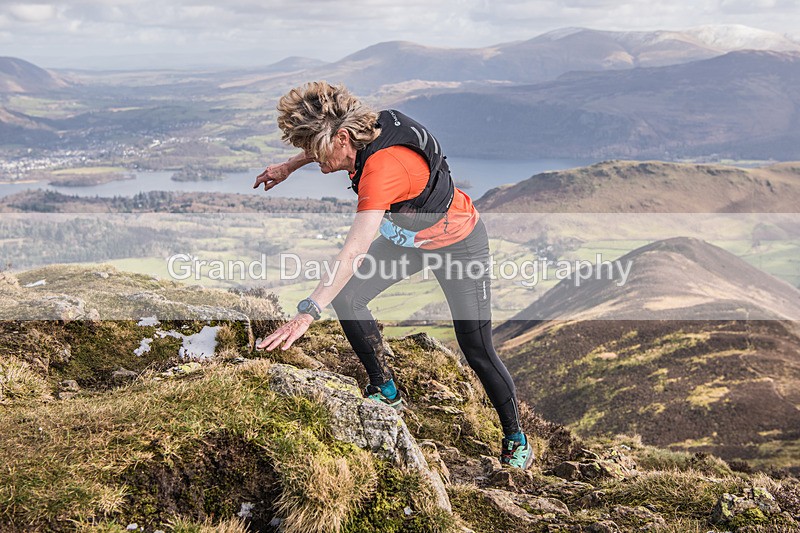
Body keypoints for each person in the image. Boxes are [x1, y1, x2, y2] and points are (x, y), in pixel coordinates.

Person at [252, 81, 533, 469]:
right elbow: (324, 136)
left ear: (343, 139)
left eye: (315, 150)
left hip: (458, 244)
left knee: (477, 349)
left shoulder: (381, 170)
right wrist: (289, 166)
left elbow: (354, 250)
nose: (314, 159)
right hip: (409, 239)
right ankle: (385, 389)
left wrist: (307, 312)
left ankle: (516, 438)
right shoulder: (365, 126)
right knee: (349, 298)